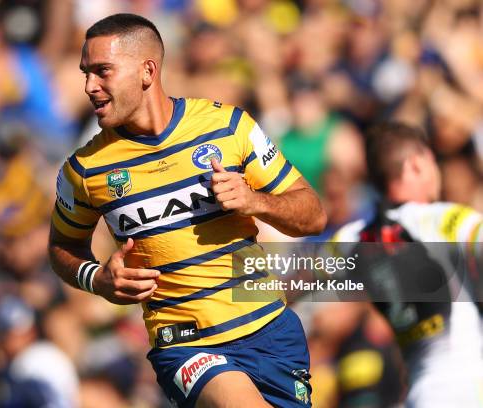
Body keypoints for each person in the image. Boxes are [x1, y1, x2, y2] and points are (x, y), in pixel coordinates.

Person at [48, 14, 326, 408]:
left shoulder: (229, 127)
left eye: (102, 71)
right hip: (185, 345)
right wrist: (96, 279)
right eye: (85, 73)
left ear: (147, 70)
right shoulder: (84, 170)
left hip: (270, 330)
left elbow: (313, 216)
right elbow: (61, 246)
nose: (90, 86)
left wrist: (256, 201)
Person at [333, 122, 482, 407]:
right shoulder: (445, 220)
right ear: (417, 164)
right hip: (471, 388)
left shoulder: (349, 239)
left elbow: (283, 287)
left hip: (420, 396)